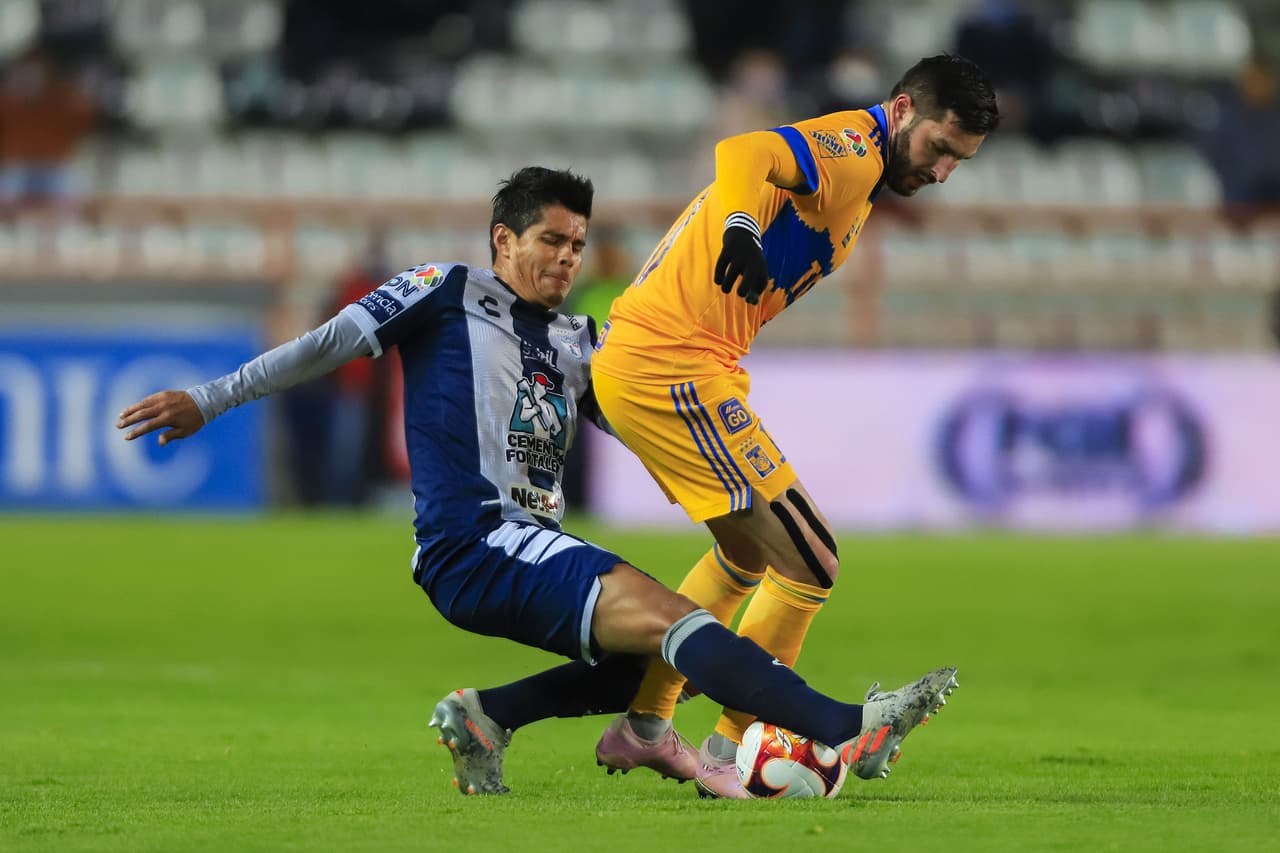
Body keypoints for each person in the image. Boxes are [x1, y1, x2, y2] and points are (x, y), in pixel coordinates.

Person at [115, 166, 957, 796]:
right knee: (683, 624)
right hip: (472, 541)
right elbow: (328, 341)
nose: (566, 259)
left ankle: (490, 716)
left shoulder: (578, 339)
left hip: (535, 542)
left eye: (578, 245)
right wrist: (210, 396)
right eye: (551, 242)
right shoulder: (446, 291)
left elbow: (641, 414)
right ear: (502, 240)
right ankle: (843, 727)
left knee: (672, 666)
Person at [588, 54, 998, 798]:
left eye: (958, 162)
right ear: (902, 109)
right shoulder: (853, 148)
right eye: (940, 149)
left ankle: (647, 724)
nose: (943, 173)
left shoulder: (867, 178)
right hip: (670, 361)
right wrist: (741, 224)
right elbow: (743, 152)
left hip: (671, 359)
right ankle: (728, 748)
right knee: (812, 561)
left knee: (746, 557)